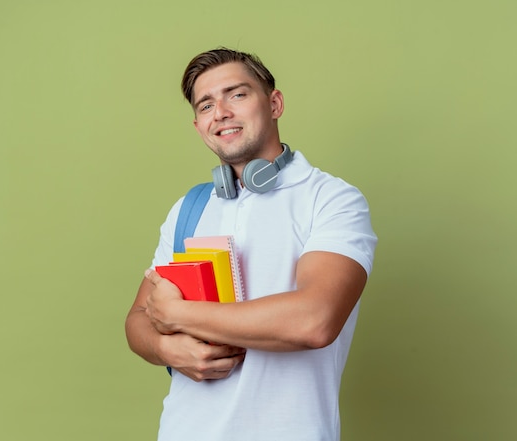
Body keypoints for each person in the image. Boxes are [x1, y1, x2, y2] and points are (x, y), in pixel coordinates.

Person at [125, 47, 377, 441]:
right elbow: (137, 320)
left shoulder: (330, 199)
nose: (221, 112)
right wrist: (166, 348)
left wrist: (177, 316)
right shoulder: (189, 208)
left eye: (236, 94)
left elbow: (315, 320)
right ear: (198, 125)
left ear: (274, 103)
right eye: (206, 104)